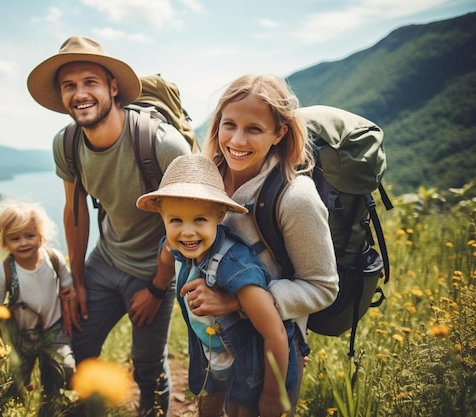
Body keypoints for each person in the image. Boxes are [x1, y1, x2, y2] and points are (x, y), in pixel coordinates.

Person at [26, 36, 192, 416]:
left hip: (157, 266)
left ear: (112, 88)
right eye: (69, 85)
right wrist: (77, 280)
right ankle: (92, 407)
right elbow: (75, 211)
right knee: (72, 348)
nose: (80, 94)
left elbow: (190, 224)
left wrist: (156, 286)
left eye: (90, 82)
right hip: (107, 260)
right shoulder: (67, 143)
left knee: (147, 367)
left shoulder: (162, 145)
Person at [181, 74, 339, 415]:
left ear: (279, 134)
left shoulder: (295, 198)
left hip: (272, 350)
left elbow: (323, 286)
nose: (237, 139)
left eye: (254, 128)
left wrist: (238, 301)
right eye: (229, 124)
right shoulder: (205, 179)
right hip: (215, 343)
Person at [137, 154, 297, 417]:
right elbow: (166, 256)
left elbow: (275, 333)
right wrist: (157, 287)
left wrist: (272, 393)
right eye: (176, 220)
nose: (187, 232)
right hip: (211, 356)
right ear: (162, 217)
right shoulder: (175, 245)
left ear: (219, 215)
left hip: (253, 369)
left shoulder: (233, 265)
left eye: (199, 220)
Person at [0, 199, 77, 412]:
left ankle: (51, 401)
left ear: (41, 236)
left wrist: (69, 292)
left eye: (30, 235)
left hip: (54, 328)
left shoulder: (53, 259)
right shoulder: (4, 272)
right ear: (4, 242)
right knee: (12, 378)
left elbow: (67, 282)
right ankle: (1, 407)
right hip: (21, 335)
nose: (24, 242)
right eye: (15, 238)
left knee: (65, 369)